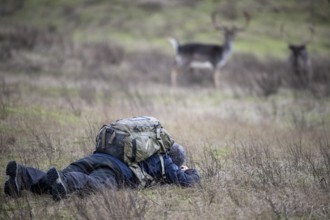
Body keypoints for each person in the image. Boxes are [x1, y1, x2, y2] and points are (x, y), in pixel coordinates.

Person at [4, 143, 200, 200]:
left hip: (93, 158)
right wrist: (189, 170)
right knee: (95, 185)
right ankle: (67, 182)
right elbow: (188, 182)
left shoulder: (142, 144)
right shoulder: (165, 160)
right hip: (113, 170)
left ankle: (21, 176)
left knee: (53, 181)